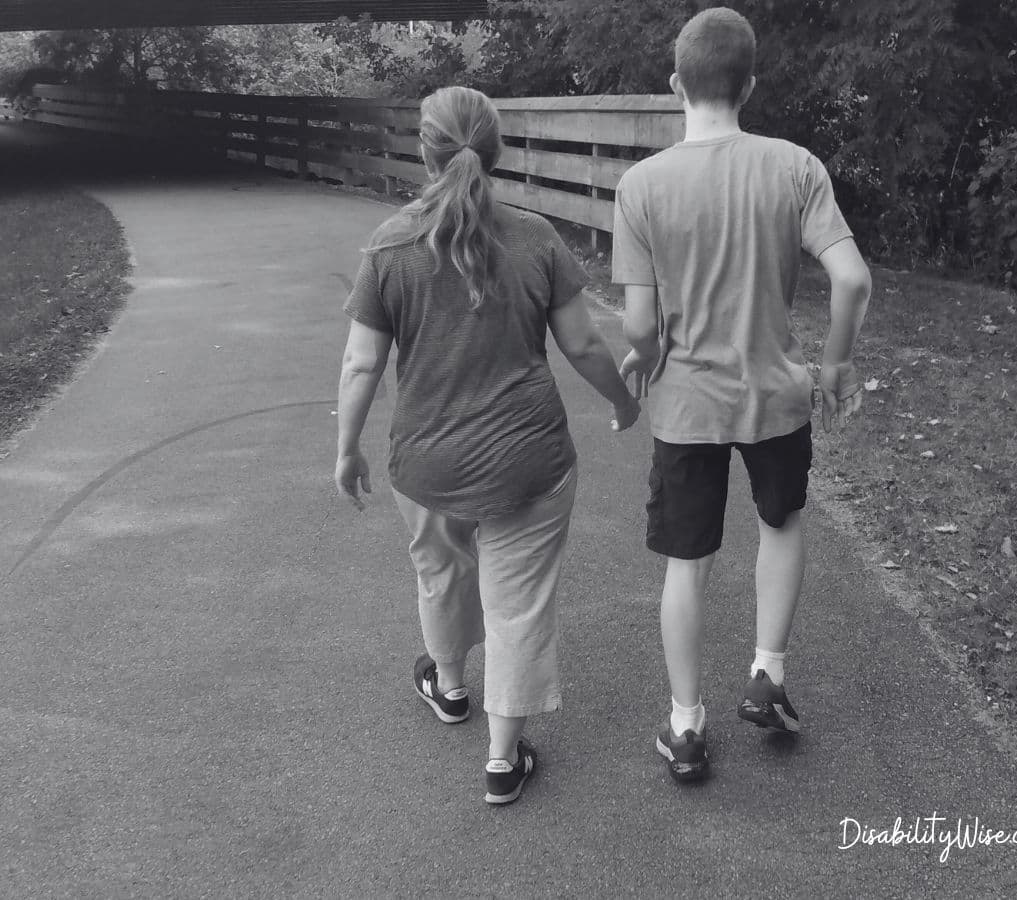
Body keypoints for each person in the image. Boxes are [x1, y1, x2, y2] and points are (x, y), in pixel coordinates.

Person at [335, 86, 640, 805]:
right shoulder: (536, 238)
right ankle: (503, 760)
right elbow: (585, 344)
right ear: (496, 152)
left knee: (439, 571)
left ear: (425, 149)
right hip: (528, 460)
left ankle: (448, 687)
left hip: (427, 460)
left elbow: (360, 364)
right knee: (519, 603)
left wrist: (347, 449)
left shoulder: (388, 248)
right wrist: (624, 403)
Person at [612, 7, 872, 783]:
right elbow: (852, 278)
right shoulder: (794, 167)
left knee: (686, 565)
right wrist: (833, 367)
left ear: (675, 86)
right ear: (749, 84)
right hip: (777, 395)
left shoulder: (642, 184)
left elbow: (638, 321)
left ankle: (686, 727)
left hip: (688, 402)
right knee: (782, 523)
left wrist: (643, 358)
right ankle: (767, 672)